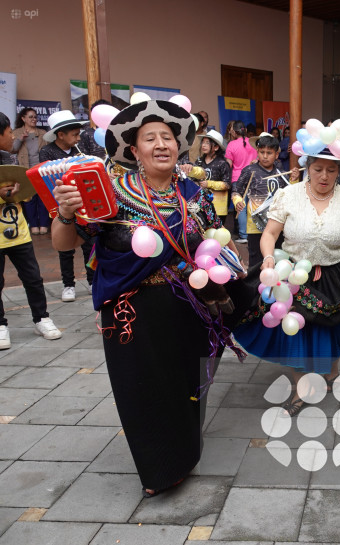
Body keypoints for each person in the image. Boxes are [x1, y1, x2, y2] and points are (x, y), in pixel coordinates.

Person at [51, 96, 243, 498]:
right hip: (131, 311)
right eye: (150, 138)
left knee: (187, 382)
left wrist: (229, 265)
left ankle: (186, 452)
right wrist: (65, 213)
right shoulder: (110, 192)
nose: (161, 144)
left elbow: (213, 242)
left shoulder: (196, 193)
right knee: (142, 389)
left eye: (168, 137)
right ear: (133, 149)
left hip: (190, 306)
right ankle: (159, 470)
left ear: (179, 145)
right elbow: (65, 243)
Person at [233, 138, 340, 416]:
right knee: (296, 332)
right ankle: (300, 388)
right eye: (318, 169)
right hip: (294, 274)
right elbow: (270, 234)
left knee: (334, 327)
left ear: (339, 171)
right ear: (306, 168)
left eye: (331, 170)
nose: (324, 176)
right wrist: (268, 258)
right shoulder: (288, 196)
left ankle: (331, 372)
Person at [0, 112, 62, 347]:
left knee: (33, 278)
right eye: (8, 133)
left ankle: (42, 318)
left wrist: (20, 192)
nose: (11, 137)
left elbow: (22, 192)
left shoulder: (10, 159)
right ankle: (1, 325)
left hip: (19, 233)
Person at [39, 110, 92, 301]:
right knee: (65, 248)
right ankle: (68, 284)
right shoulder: (47, 151)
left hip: (83, 205)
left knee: (88, 243)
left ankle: (92, 279)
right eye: (74, 134)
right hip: (61, 205)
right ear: (60, 135)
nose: (78, 138)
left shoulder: (80, 148)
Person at [231, 134, 299, 267]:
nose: (265, 156)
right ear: (257, 152)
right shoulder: (249, 170)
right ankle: (255, 287)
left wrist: (294, 179)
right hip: (255, 226)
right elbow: (236, 190)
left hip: (277, 225)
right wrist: (237, 201)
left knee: (277, 259)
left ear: (277, 155)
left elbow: (291, 194)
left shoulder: (281, 172)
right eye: (262, 152)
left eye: (269, 153)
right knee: (256, 261)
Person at [180, 129, 232, 226]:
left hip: (218, 205)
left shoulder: (222, 163)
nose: (203, 145)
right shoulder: (199, 161)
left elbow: (227, 184)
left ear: (216, 147)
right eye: (203, 142)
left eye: (207, 143)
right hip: (202, 203)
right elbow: (194, 179)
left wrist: (209, 184)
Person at [11, 108, 48, 234]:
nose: (34, 119)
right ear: (23, 118)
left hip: (41, 170)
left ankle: (43, 224)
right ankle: (33, 225)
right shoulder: (16, 132)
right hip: (25, 170)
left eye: (35, 117)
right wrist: (21, 138)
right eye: (31, 117)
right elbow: (13, 149)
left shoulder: (42, 133)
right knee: (29, 199)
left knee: (43, 198)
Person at [225, 120, 258, 244]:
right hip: (253, 177)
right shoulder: (253, 143)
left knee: (241, 206)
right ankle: (253, 232)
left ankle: (243, 235)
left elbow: (228, 164)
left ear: (234, 131)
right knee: (252, 205)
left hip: (237, 178)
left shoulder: (231, 145)